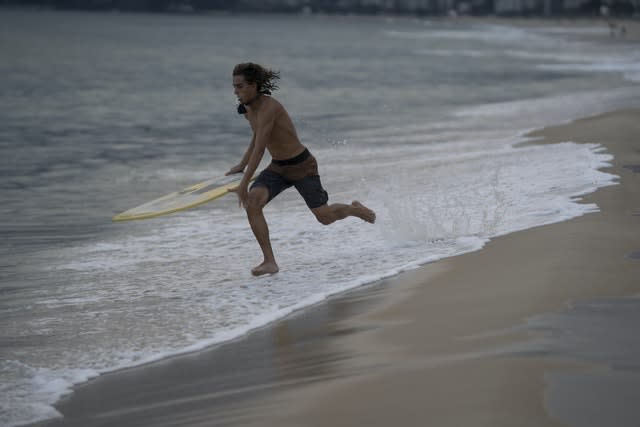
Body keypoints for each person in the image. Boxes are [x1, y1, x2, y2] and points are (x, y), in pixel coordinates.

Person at [227, 62, 376, 276]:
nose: (235, 91)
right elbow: (256, 136)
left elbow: (260, 149)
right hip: (278, 167)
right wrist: (242, 165)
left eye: (240, 86)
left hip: (301, 165)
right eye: (234, 86)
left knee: (324, 217)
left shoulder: (270, 107)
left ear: (255, 85)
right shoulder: (247, 108)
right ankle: (269, 261)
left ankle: (354, 209)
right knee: (253, 203)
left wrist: (243, 184)